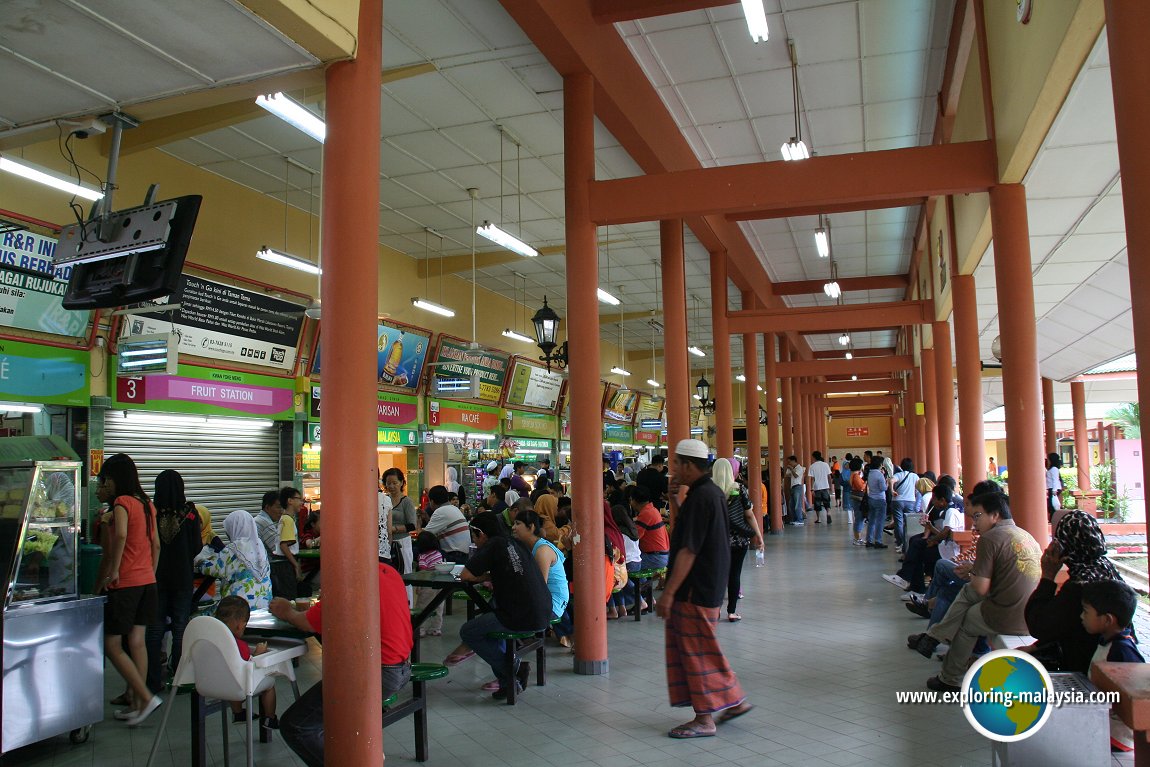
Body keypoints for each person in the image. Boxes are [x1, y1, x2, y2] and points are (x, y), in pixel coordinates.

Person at [272, 563, 413, 767]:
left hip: (377, 673)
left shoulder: (349, 581)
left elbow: (306, 622)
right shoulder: (389, 572)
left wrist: (286, 611)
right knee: (335, 723)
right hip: (401, 668)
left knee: (296, 726)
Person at [657, 439, 753, 739]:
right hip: (708, 585)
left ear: (688, 464)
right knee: (705, 647)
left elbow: (689, 549)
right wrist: (675, 501)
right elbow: (691, 529)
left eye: (676, 463)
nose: (673, 469)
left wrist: (669, 592)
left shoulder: (702, 498)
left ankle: (704, 719)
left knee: (696, 652)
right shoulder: (708, 494)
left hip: (694, 589)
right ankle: (733, 700)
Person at [909, 490, 1042, 692]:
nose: (974, 522)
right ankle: (935, 637)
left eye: (978, 516)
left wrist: (973, 572)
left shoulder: (991, 538)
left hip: (1007, 615)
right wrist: (974, 569)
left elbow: (980, 588)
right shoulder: (1026, 535)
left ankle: (949, 676)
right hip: (1029, 615)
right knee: (963, 595)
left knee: (966, 613)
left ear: (995, 515)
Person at [95, 453, 163, 726]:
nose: (104, 484)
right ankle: (137, 703)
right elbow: (156, 544)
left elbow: (121, 535)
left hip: (126, 585)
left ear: (114, 479)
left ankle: (145, 697)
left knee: (112, 644)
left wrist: (114, 571)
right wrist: (151, 571)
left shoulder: (122, 503)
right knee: (137, 642)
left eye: (105, 479)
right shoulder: (147, 504)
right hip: (147, 582)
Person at [457, 511, 552, 700]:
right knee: (489, 629)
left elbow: (465, 575)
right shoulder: (515, 543)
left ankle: (515, 667)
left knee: (468, 631)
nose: (475, 542)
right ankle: (509, 683)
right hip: (543, 612)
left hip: (520, 616)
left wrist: (482, 576)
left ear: (481, 533)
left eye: (474, 537)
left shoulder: (493, 544)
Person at [1024, 510, 1123, 673]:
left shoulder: (1080, 586)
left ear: (1066, 545)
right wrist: (1036, 647)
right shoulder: (1105, 568)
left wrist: (1048, 576)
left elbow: (1039, 625)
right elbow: (1065, 622)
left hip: (1086, 667)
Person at [145, 469, 203, 694]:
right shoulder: (189, 512)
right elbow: (197, 546)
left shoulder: (152, 512)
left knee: (155, 629)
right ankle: (180, 679)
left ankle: (152, 681)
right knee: (180, 628)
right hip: (182, 578)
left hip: (156, 578)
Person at [1081, 579, 1145, 751]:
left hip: (1117, 735)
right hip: (1104, 719)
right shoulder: (1108, 641)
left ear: (1108, 620)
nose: (1081, 616)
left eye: (1086, 612)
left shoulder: (1122, 652)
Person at [215, 595, 277, 729]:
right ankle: (270, 718)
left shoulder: (213, 642)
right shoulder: (240, 645)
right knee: (270, 683)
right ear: (240, 625)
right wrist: (257, 654)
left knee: (229, 676)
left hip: (214, 683)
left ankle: (238, 713)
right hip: (240, 688)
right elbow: (247, 665)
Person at [713, 458, 763, 622]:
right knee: (735, 575)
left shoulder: (710, 490)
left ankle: (715, 610)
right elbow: (749, 514)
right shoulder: (739, 488)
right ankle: (732, 612)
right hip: (739, 540)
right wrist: (759, 536)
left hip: (716, 541)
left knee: (718, 575)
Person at [195, 510, 273, 608]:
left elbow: (213, 569)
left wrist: (199, 560)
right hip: (264, 604)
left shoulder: (235, 548)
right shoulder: (259, 545)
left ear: (235, 528)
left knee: (202, 617)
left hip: (239, 607)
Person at [255, 490, 296, 599]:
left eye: (282, 507)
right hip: (272, 568)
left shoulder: (262, 520)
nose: (281, 511)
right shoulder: (263, 522)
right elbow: (278, 548)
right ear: (268, 507)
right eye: (278, 507)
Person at [606, 505, 642, 619]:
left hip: (627, 566)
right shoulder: (632, 528)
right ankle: (622, 608)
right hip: (636, 562)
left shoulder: (615, 531)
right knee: (616, 576)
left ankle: (613, 609)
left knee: (606, 579)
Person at [383, 467, 418, 575]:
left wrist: (393, 529)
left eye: (395, 483)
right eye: (389, 483)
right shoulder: (384, 500)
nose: (391, 486)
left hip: (402, 543)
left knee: (404, 574)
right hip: (386, 543)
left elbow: (412, 525)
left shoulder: (406, 502)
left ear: (402, 482)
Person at [423, 485, 471, 562]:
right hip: (464, 555)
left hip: (454, 555)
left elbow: (424, 536)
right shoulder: (454, 508)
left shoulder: (441, 511)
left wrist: (418, 523)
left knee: (420, 551)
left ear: (432, 501)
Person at [412, 530, 446, 637]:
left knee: (422, 606)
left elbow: (423, 572)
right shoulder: (438, 554)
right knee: (439, 606)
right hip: (440, 582)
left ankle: (420, 628)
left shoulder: (422, 557)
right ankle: (436, 629)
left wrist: (419, 586)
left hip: (428, 584)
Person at [629, 485, 670, 570]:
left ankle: (634, 584)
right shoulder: (652, 510)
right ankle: (644, 582)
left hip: (655, 558)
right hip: (661, 555)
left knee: (626, 564)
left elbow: (635, 536)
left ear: (633, 500)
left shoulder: (646, 514)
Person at [890, 458, 919, 552]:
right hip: (910, 501)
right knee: (909, 523)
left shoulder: (898, 474)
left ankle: (900, 542)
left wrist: (892, 490)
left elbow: (891, 481)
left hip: (898, 500)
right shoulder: (915, 476)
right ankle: (908, 543)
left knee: (899, 522)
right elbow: (918, 488)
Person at [864, 455, 889, 549]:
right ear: (880, 464)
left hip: (871, 498)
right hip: (880, 499)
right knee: (880, 521)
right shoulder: (879, 475)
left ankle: (869, 540)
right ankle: (878, 541)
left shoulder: (870, 473)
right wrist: (886, 482)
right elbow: (883, 488)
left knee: (872, 520)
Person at [807, 451, 832, 524]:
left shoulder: (812, 466)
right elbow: (829, 476)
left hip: (817, 487)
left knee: (817, 503)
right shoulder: (825, 465)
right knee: (826, 501)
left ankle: (819, 519)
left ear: (814, 457)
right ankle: (828, 513)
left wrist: (812, 489)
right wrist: (830, 486)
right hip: (825, 486)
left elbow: (812, 479)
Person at [784, 455, 806, 525]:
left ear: (793, 461)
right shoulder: (793, 468)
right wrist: (790, 469)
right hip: (793, 487)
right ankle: (794, 519)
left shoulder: (800, 468)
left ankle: (800, 520)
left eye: (789, 461)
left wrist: (791, 469)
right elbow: (787, 475)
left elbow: (796, 475)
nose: (789, 463)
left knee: (797, 504)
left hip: (798, 487)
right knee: (791, 504)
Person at [1046, 452, 1064, 519]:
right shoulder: (1052, 468)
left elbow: (1055, 480)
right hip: (1052, 488)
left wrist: (1054, 490)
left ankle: (1054, 518)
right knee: (1052, 505)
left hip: (1054, 489)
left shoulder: (1054, 469)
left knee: (1053, 505)